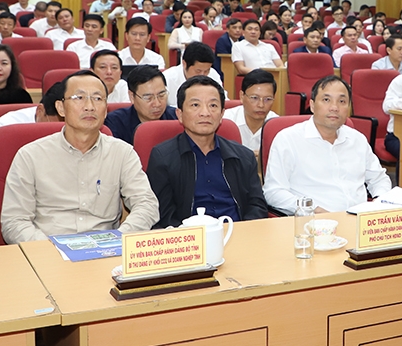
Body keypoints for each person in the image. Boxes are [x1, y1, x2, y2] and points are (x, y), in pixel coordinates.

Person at [1, 70, 159, 243]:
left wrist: (119, 238)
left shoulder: (122, 153)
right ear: (61, 107)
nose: (89, 106)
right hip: (47, 252)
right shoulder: (30, 156)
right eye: (79, 98)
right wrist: (48, 249)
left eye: (98, 99)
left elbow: (147, 205)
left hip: (106, 250)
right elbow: (14, 221)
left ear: (106, 110)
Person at [146, 75, 268, 226]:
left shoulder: (243, 156)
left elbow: (257, 206)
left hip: (237, 235)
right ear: (180, 115)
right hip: (189, 240)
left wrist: (242, 232)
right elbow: (163, 215)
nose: (205, 113)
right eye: (195, 105)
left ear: (222, 114)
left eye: (213, 106)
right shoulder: (163, 157)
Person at [263, 76, 392, 213]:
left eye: (342, 101)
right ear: (312, 105)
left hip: (359, 222)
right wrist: (312, 210)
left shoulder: (357, 139)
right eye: (326, 100)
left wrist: (379, 202)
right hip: (314, 224)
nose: (334, 107)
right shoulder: (288, 139)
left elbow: (379, 179)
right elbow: (274, 192)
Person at [104, 65, 177, 143]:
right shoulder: (115, 123)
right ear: (132, 97)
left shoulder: (177, 118)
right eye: (148, 98)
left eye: (161, 95)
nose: (157, 104)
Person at [223, 69, 278, 153]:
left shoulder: (277, 127)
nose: (261, 105)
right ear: (242, 96)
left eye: (268, 99)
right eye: (254, 98)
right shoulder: (224, 121)